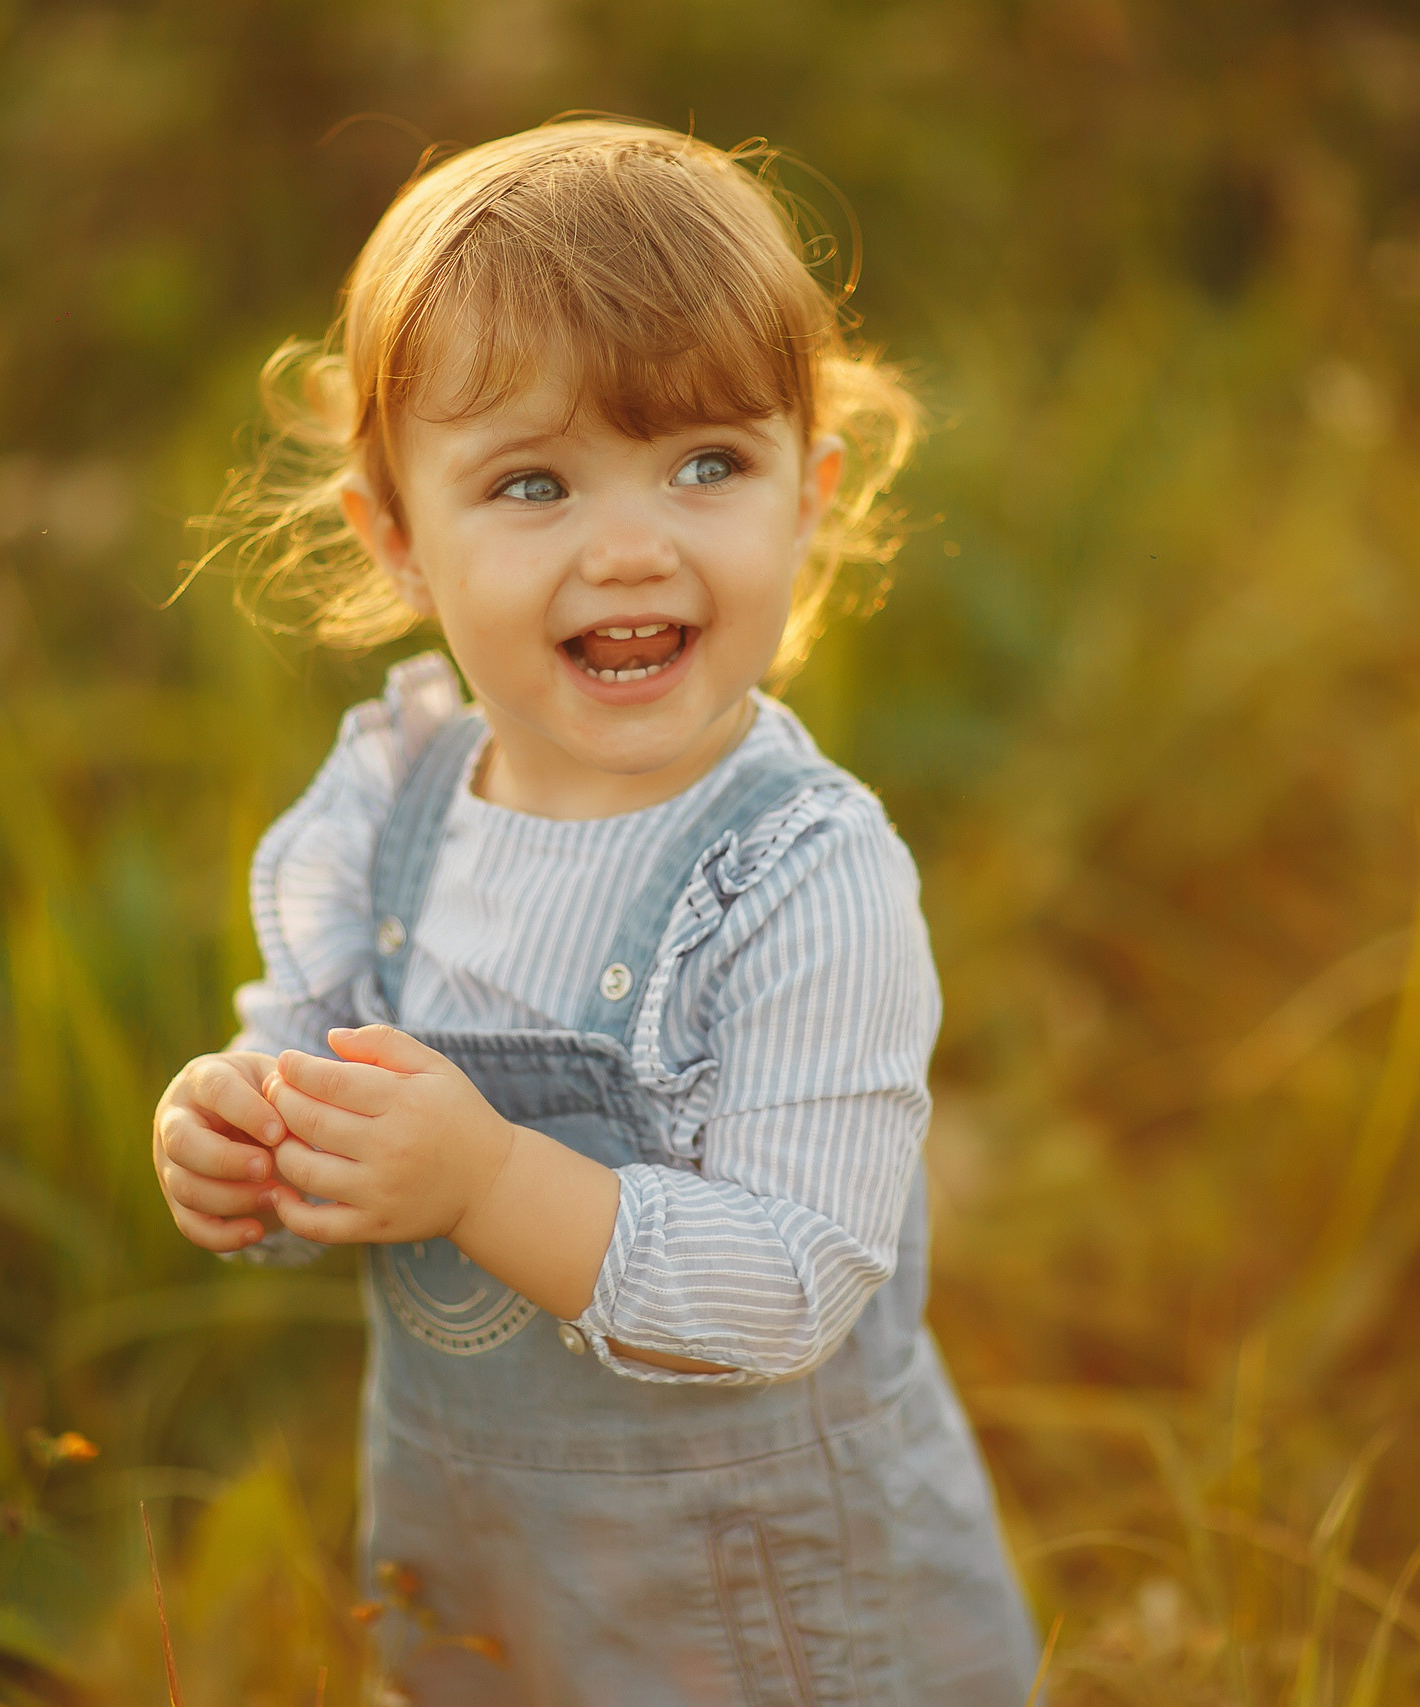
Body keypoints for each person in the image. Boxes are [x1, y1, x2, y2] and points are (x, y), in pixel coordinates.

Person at [149, 117, 1038, 1705]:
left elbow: (791, 1284)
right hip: (487, 1597)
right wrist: (243, 1139)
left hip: (766, 1620)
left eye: (709, 464)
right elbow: (314, 1087)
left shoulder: (803, 874)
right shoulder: (391, 801)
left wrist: (484, 1175)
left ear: (809, 492)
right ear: (398, 538)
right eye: (533, 483)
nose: (630, 546)